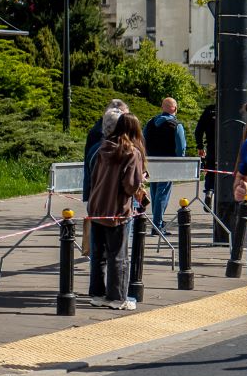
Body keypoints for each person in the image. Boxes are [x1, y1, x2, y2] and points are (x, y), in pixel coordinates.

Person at [87, 112, 148, 310]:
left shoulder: (103, 148)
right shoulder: (131, 152)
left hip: (97, 207)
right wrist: (141, 180)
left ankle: (97, 294)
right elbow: (129, 186)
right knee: (119, 255)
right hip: (117, 209)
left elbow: (94, 176)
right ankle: (117, 297)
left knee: (99, 254)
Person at [143, 97, 186, 235]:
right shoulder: (176, 125)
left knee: (155, 191)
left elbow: (142, 141)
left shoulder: (150, 123)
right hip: (168, 163)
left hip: (151, 162)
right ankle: (157, 224)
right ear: (174, 108)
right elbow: (181, 147)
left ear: (163, 107)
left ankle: (157, 221)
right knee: (163, 192)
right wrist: (180, 162)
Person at [194, 102, 217, 206]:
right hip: (229, 147)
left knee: (211, 170)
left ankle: (209, 191)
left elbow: (199, 130)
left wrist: (200, 146)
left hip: (212, 147)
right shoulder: (231, 108)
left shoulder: (209, 110)